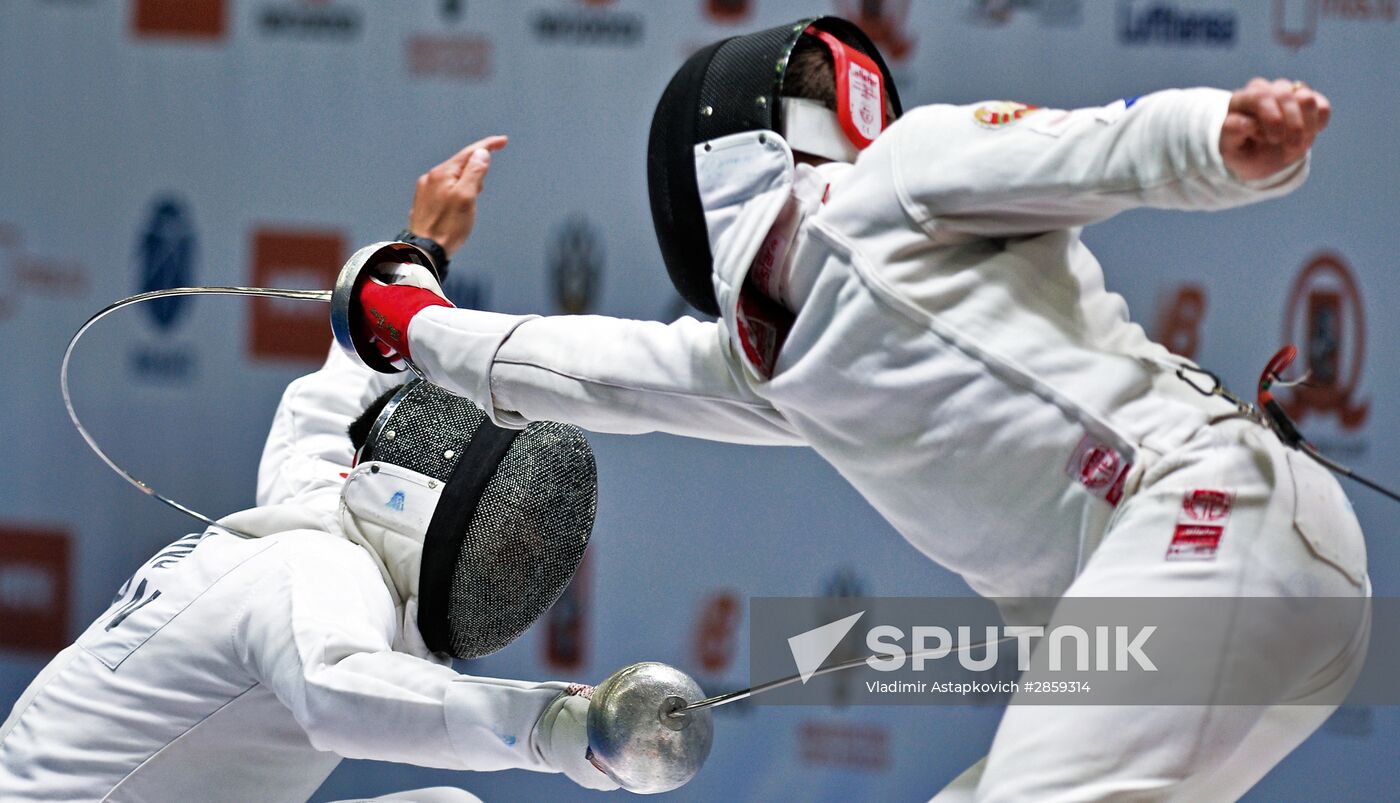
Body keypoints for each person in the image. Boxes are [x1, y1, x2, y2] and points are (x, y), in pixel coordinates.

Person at [347, 17, 1370, 801]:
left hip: (1206, 514)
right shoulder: (766, 359)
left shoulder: (902, 179)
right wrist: (409, 311)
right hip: (1230, 598)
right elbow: (583, 368)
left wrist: (1216, 135)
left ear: (707, 158)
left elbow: (1090, 149)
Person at [0, 139, 629, 802]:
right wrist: (560, 726)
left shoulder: (324, 503)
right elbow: (339, 691)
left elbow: (336, 387)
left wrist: (422, 248)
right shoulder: (320, 570)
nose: (515, 566)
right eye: (507, 542)